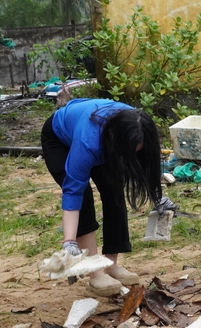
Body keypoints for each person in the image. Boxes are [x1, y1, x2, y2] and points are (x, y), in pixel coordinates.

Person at [41, 98, 165, 297]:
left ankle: (110, 264)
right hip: (59, 140)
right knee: (85, 198)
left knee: (114, 189)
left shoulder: (137, 125)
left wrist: (160, 199)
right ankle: (96, 273)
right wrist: (69, 241)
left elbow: (148, 167)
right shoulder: (87, 144)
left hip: (107, 141)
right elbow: (73, 193)